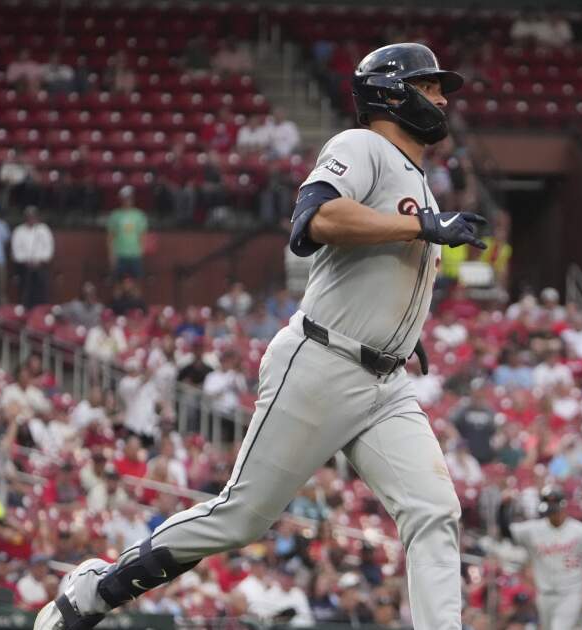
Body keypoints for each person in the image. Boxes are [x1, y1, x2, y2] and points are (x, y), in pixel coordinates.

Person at [36, 42, 484, 630]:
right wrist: (423, 225)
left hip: (385, 381)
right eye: (429, 86)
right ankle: (96, 588)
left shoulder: (417, 180)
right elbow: (316, 219)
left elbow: (376, 260)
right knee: (241, 518)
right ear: (391, 94)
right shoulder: (361, 146)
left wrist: (398, 328)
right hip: (322, 362)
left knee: (435, 510)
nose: (442, 98)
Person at [498, 487, 582, 629]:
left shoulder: (579, 530)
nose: (552, 514)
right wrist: (504, 508)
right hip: (545, 593)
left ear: (563, 506)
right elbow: (506, 533)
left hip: (572, 592)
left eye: (554, 509)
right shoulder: (533, 529)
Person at [11, 206, 55, 309]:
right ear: (25, 217)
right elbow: (16, 251)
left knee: (42, 292)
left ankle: (41, 312)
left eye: (33, 216)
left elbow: (49, 248)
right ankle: (26, 313)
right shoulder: (19, 231)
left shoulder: (43, 229)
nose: (31, 219)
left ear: (37, 217)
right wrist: (26, 260)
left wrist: (39, 260)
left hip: (41, 265)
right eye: (28, 216)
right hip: (24, 266)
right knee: (25, 293)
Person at [107, 186, 149, 280]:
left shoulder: (139, 215)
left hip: (135, 255)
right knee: (118, 283)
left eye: (130, 197)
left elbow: (143, 236)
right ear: (121, 198)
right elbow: (110, 237)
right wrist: (111, 256)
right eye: (126, 197)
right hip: (120, 254)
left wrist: (141, 253)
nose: (128, 200)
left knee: (137, 283)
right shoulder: (115, 215)